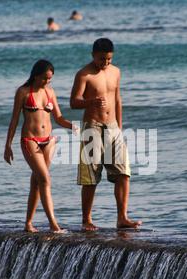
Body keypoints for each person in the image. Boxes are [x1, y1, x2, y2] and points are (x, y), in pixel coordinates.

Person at [70, 38, 142, 231]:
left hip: (113, 127)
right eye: (102, 59)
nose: (105, 63)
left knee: (123, 173)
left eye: (109, 59)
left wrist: (119, 126)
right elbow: (74, 102)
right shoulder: (84, 74)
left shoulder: (116, 72)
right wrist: (90, 102)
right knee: (90, 177)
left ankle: (122, 218)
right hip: (92, 126)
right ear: (93, 55)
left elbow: (117, 99)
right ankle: (86, 220)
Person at [4, 59, 77, 233]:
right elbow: (14, 120)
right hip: (30, 141)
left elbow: (58, 118)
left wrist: (72, 125)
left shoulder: (50, 92)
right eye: (44, 78)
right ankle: (53, 224)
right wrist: (8, 145)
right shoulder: (23, 92)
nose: (47, 82)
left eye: (50, 79)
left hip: (49, 141)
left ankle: (28, 223)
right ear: (36, 76)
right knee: (45, 179)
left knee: (37, 182)